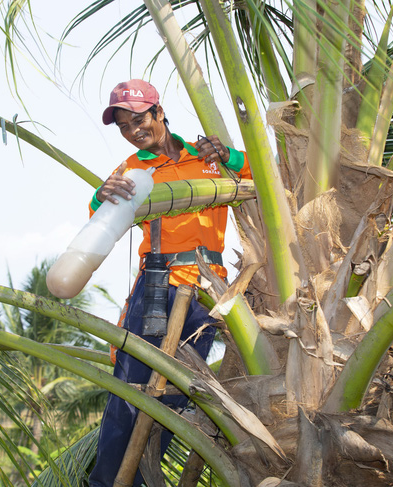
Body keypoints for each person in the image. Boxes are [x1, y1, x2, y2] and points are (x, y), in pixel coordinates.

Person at [88, 79, 252, 487]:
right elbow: (98, 214)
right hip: (157, 287)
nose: (133, 130)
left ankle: (141, 479)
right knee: (131, 392)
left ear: (159, 112)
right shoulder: (134, 169)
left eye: (138, 119)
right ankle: (106, 483)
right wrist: (100, 194)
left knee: (176, 395)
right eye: (124, 126)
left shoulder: (208, 157)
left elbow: (258, 173)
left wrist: (229, 154)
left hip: (206, 288)